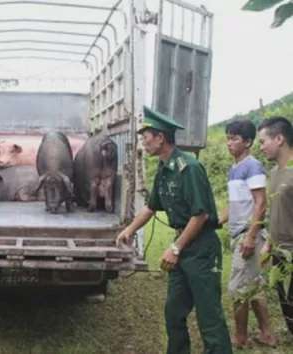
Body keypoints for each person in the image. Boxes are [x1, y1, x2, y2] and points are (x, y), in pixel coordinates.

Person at [116, 107, 232, 354]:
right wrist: (129, 229)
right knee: (174, 312)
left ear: (161, 137)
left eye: (146, 137)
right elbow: (151, 207)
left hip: (201, 249)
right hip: (182, 245)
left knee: (209, 316)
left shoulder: (188, 168)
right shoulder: (163, 167)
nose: (144, 143)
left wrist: (176, 248)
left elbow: (200, 215)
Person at [219, 120, 276, 348]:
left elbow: (261, 204)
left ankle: (241, 338)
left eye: (234, 138)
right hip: (239, 234)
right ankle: (267, 334)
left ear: (248, 142)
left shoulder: (252, 166)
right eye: (228, 138)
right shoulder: (235, 168)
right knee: (253, 286)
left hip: (247, 235)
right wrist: (215, 221)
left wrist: (251, 237)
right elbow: (234, 205)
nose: (229, 143)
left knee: (238, 289)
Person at [258, 116, 293, 335]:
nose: (260, 147)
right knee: (288, 311)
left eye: (263, 141)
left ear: (279, 138)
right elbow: (277, 213)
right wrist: (268, 244)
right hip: (279, 256)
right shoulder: (273, 174)